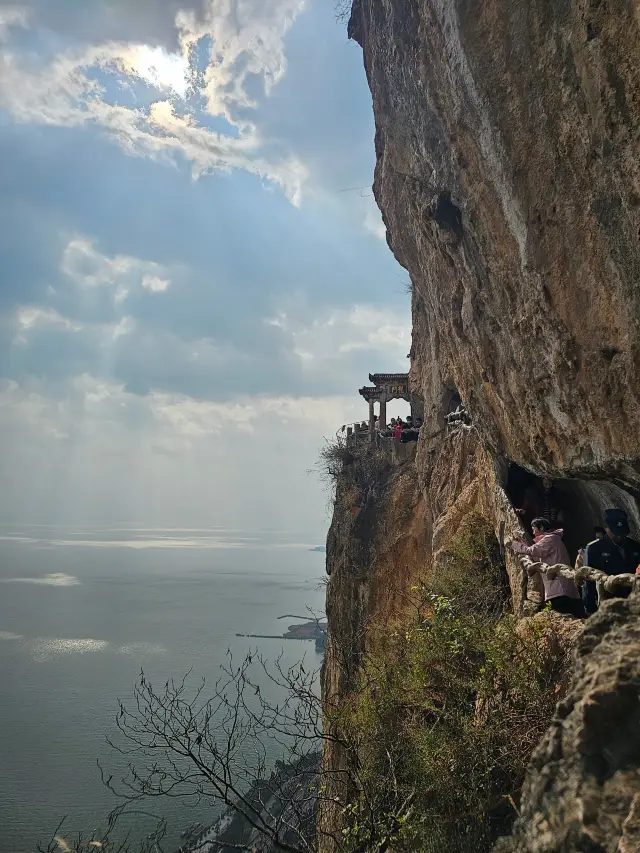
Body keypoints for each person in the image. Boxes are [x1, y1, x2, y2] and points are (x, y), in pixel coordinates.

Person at [510, 518, 584, 617]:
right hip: (560, 587)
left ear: (541, 528)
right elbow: (536, 553)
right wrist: (522, 544)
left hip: (559, 588)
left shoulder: (550, 539)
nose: (533, 532)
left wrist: (513, 544)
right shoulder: (553, 538)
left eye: (534, 529)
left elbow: (533, 551)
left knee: (564, 615)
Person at [581, 508, 640, 613]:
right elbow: (588, 579)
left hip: (632, 602)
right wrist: (589, 607)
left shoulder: (635, 547)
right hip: (607, 604)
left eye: (622, 533)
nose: (619, 536)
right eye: (616, 533)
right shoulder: (595, 548)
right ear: (606, 529)